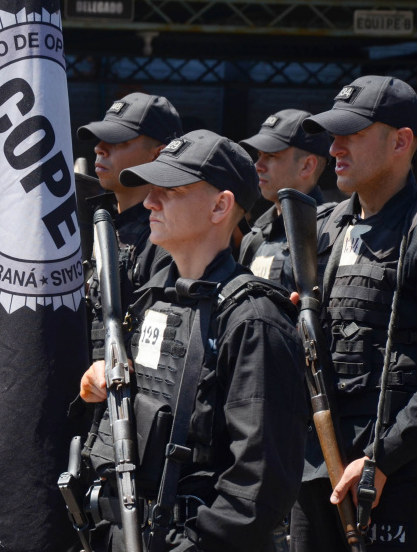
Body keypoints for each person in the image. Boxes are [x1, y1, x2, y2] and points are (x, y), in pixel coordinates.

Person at [290, 76, 417, 551]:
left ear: (402, 142)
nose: (334, 147)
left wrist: (382, 458)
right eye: (333, 134)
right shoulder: (325, 228)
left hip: (397, 481)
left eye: (352, 134)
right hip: (314, 473)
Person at [79, 129, 308, 551]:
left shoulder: (253, 319)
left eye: (170, 190)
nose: (149, 201)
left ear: (221, 205)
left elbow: (261, 483)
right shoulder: (154, 300)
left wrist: (190, 545)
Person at [76, 92, 182, 361]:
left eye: (118, 141)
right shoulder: (93, 226)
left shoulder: (166, 239)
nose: (100, 148)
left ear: (159, 155)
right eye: (100, 140)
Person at [237, 109, 331, 291]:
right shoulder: (254, 236)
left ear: (307, 165)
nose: (258, 166)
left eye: (271, 156)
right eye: (259, 156)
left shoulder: (329, 233)